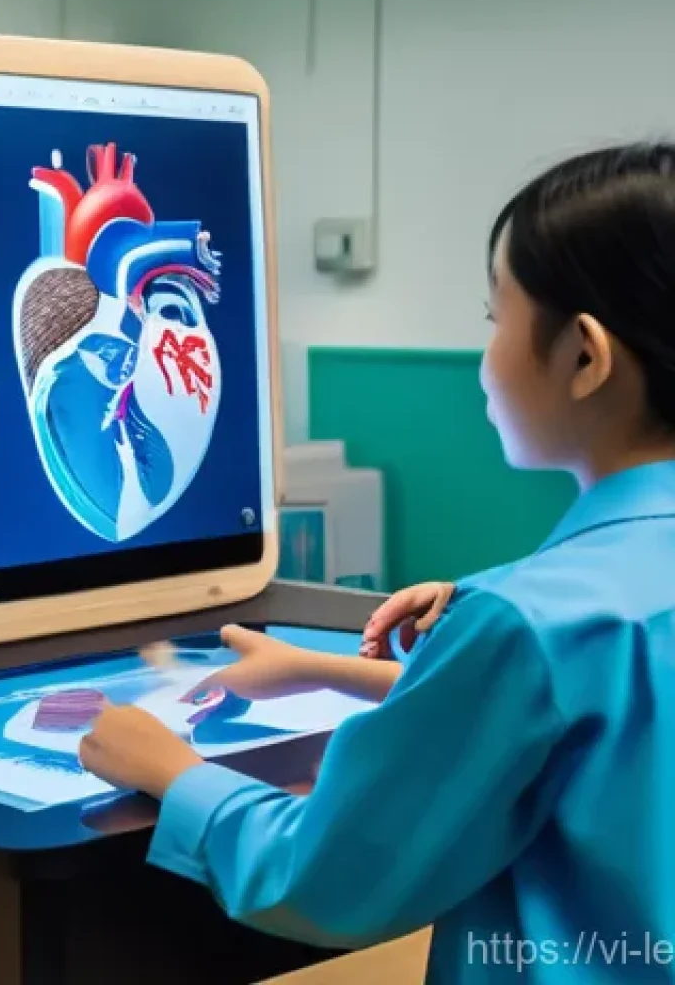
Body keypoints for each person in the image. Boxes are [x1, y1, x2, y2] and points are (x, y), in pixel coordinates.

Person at [79, 143, 675, 983]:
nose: (488, 353)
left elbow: (327, 881)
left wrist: (170, 771)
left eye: (494, 318)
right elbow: (613, 721)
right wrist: (325, 669)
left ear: (584, 356)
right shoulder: (554, 617)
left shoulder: (525, 623)